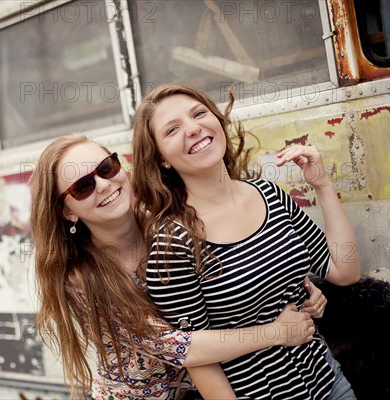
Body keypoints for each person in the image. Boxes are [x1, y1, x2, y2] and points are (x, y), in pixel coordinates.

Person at [29, 135, 327, 399]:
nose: (105, 185)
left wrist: (299, 287)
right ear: (67, 210)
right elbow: (179, 347)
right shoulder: (82, 279)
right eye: (83, 186)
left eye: (107, 168)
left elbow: (235, 268)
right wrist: (276, 332)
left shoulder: (166, 224)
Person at [131, 84, 360, 399]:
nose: (194, 128)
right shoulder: (174, 243)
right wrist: (275, 334)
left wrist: (321, 184)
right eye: (173, 129)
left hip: (329, 382)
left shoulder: (270, 194)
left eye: (198, 113)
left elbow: (344, 270)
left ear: (217, 120)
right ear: (161, 158)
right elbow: (197, 356)